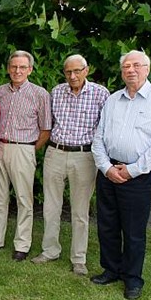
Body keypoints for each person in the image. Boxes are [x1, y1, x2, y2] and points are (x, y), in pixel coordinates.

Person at [91, 50, 151, 300]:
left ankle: (132, 278)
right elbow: (98, 137)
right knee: (107, 225)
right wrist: (106, 167)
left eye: (136, 65)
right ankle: (111, 269)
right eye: (126, 66)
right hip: (108, 172)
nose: (131, 70)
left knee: (133, 230)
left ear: (147, 69)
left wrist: (131, 170)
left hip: (137, 175)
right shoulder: (113, 99)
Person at [31, 55, 109, 275]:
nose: (72, 76)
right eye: (68, 72)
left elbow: (106, 128)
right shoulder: (56, 92)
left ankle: (78, 258)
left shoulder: (101, 94)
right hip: (55, 152)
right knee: (51, 206)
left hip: (84, 156)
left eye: (77, 71)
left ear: (87, 70)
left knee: (80, 210)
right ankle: (50, 251)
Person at [0, 50, 52, 261]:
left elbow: (46, 129)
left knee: (24, 198)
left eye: (22, 67)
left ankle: (22, 244)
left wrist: (30, 149)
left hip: (23, 148)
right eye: (14, 66)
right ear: (8, 68)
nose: (17, 70)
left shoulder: (40, 94)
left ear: (30, 69)